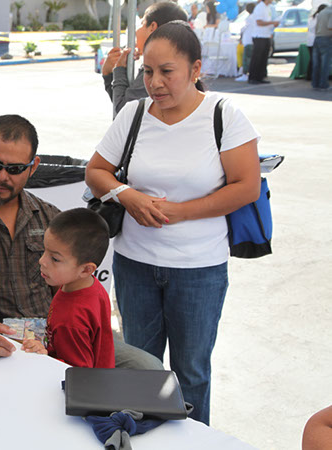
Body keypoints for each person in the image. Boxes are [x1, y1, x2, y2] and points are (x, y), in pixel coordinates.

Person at [85, 21, 261, 424]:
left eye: (167, 71)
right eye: (148, 71)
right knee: (141, 369)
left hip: (199, 270)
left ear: (195, 69)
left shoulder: (225, 116)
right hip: (136, 264)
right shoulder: (133, 114)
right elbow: (96, 171)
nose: (155, 82)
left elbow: (246, 187)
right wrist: (126, 195)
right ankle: (142, 435)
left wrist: (181, 211)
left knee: (192, 373)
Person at [0, 114, 163, 370]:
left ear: (33, 166)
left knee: (148, 369)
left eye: (15, 169)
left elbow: (75, 287)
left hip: (60, 336)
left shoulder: (50, 216)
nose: (2, 176)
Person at [21, 208, 115, 370]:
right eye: (45, 250)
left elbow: (78, 372)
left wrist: (42, 357)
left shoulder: (70, 320)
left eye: (55, 258)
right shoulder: (91, 285)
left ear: (86, 269)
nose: (42, 261)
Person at [102, 1, 188, 117]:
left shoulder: (156, 70)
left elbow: (124, 113)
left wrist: (120, 69)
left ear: (152, 27)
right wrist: (108, 74)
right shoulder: (180, 62)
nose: (136, 31)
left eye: (142, 24)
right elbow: (122, 100)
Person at [248, 0, 280, 84]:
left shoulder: (268, 7)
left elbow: (267, 21)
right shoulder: (260, 7)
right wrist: (272, 22)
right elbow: (259, 22)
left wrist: (273, 25)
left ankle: (260, 76)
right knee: (257, 58)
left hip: (266, 35)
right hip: (259, 36)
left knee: (264, 58)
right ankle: (253, 77)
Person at [311, 4, 332, 91]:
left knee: (316, 64)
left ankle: (315, 83)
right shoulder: (331, 13)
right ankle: (323, 84)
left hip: (317, 38)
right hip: (326, 39)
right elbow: (330, 26)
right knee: (325, 64)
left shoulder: (322, 12)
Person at [236, 2, 257, 82]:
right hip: (252, 40)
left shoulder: (249, 18)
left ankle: (245, 74)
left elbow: (243, 29)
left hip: (248, 41)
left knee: (246, 59)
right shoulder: (254, 17)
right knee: (251, 58)